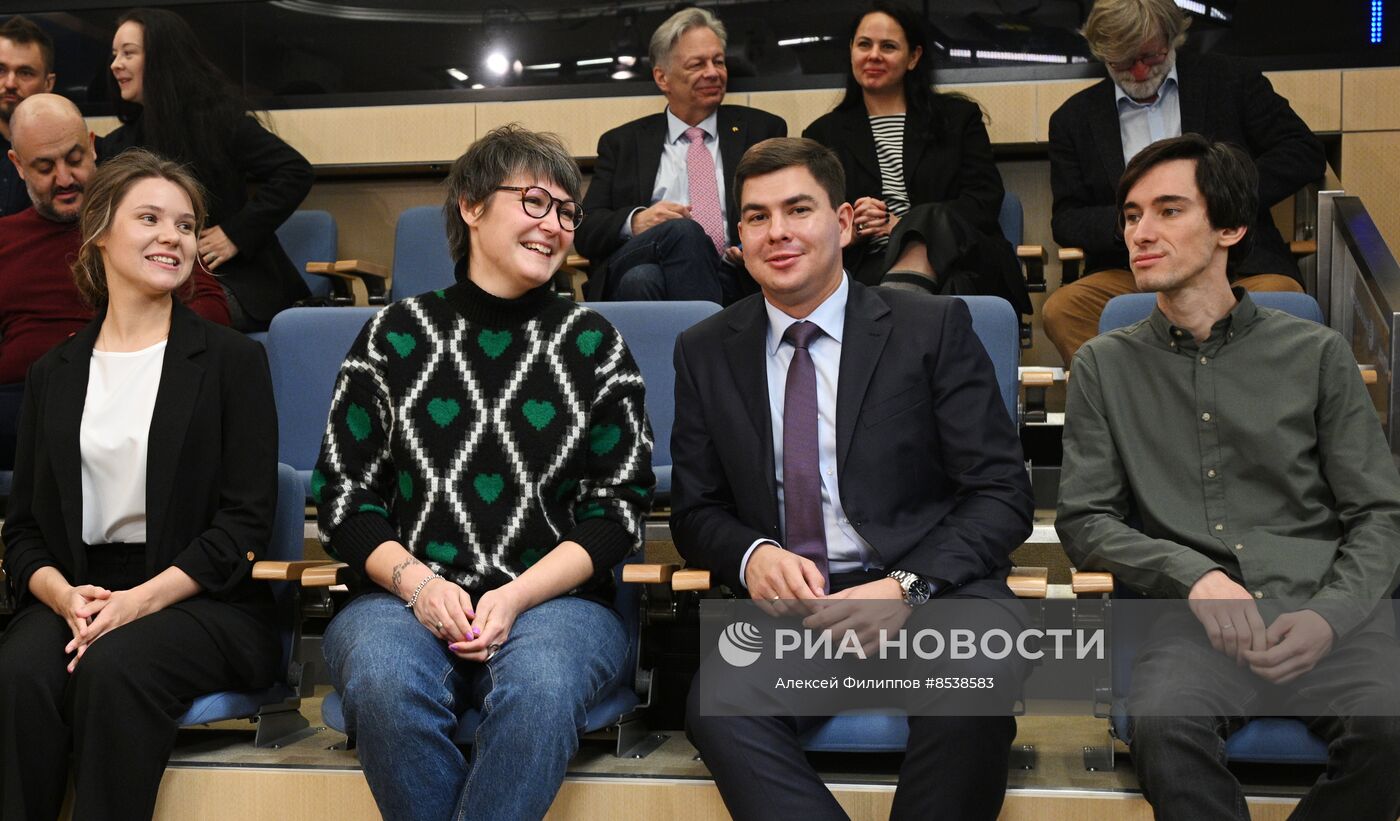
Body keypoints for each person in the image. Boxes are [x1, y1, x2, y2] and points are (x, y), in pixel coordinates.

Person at [671, 137, 1033, 820]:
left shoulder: (931, 327)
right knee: (717, 705)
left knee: (973, 682)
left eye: (798, 209)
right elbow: (696, 510)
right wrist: (752, 556)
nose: (776, 231)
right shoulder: (705, 350)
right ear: (737, 237)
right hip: (795, 612)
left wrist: (906, 586)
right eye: (755, 216)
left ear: (842, 223)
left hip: (933, 593)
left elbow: (1001, 494)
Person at [315, 124, 655, 821]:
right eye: (534, 201)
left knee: (540, 683)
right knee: (381, 679)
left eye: (567, 211)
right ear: (471, 205)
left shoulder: (594, 342)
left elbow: (619, 507)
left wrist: (517, 595)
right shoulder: (394, 333)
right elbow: (344, 497)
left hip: (561, 605)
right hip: (402, 598)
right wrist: (420, 582)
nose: (554, 224)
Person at [1057, 133, 1400, 820]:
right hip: (1192, 627)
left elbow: (1380, 515)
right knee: (1164, 725)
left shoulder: (1317, 353)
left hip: (1325, 609)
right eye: (1130, 215)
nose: (1140, 233)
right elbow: (1084, 519)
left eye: (1168, 210)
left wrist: (1331, 618)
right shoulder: (1103, 365)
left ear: (1231, 227)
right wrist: (1195, 576)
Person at [0, 148, 282, 821]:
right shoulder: (54, 371)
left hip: (201, 599)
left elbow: (242, 525)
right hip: (81, 593)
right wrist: (65, 595)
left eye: (186, 225)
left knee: (114, 666)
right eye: (150, 218)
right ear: (98, 233)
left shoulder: (232, 361)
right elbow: (26, 531)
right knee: (18, 672)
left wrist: (138, 602)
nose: (173, 237)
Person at [1043, 0, 1323, 364]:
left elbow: (1304, 152)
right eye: (1122, 63)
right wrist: (1139, 223)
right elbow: (1066, 219)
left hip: (1236, 266)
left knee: (1282, 297)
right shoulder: (1074, 118)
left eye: (1151, 56)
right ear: (1101, 54)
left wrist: (1219, 198)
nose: (1140, 73)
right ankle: (1130, 409)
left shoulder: (1231, 80)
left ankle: (1241, 410)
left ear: (1173, 38)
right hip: (1131, 271)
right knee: (1063, 310)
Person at [0, 93, 227, 470]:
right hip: (20, 397)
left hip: (133, 382)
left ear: (92, 148)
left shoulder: (142, 225)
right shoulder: (5, 239)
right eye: (44, 167)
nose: (64, 178)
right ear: (17, 166)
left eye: (74, 159)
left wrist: (129, 347)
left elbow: (210, 309)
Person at [802, 2, 1030, 316]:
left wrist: (906, 227)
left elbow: (984, 201)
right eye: (864, 44)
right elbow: (812, 218)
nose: (874, 55)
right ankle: (908, 311)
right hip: (866, 263)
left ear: (913, 58)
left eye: (889, 46)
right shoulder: (822, 134)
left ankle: (899, 315)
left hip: (958, 258)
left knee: (927, 221)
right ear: (851, 51)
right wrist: (850, 227)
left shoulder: (957, 118)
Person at [101, 7, 314, 332]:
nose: (116, 64)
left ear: (161, 58)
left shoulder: (216, 119)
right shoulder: (118, 143)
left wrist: (235, 233)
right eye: (115, 54)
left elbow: (294, 171)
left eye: (128, 53)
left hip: (233, 282)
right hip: (157, 282)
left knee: (164, 323)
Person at [575, 6, 786, 303]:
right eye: (697, 65)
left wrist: (750, 243)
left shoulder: (761, 130)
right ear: (662, 78)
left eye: (718, 61)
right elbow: (585, 231)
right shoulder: (622, 143)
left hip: (734, 272)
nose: (712, 73)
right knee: (684, 233)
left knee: (642, 281)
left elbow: (782, 207)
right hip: (644, 254)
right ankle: (706, 347)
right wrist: (637, 222)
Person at [0, 15, 55, 218]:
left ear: (48, 83)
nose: (10, 83)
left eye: (25, 73)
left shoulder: (66, 155)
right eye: (1, 70)